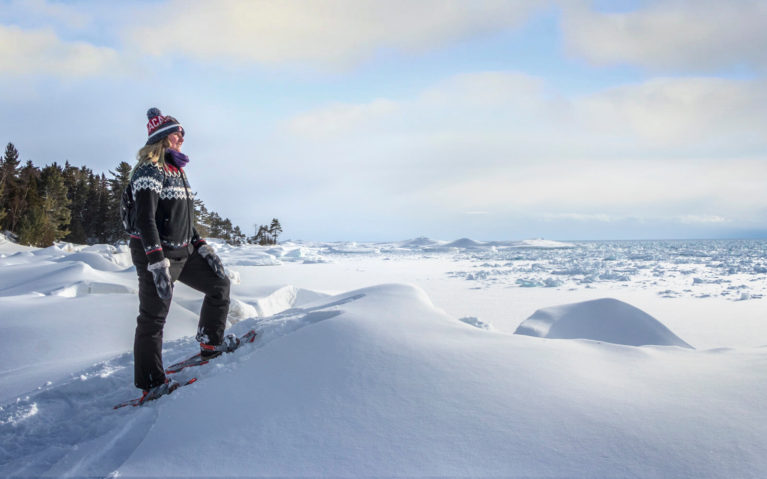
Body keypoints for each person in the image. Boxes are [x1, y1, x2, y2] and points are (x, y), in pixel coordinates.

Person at [128, 107, 235, 402]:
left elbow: (184, 217)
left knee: (219, 284)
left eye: (183, 133)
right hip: (158, 254)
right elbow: (145, 219)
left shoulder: (177, 169)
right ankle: (151, 383)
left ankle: (211, 342)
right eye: (178, 133)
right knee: (153, 318)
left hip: (184, 249)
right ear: (163, 138)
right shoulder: (150, 170)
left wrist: (200, 245)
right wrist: (155, 261)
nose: (183, 138)